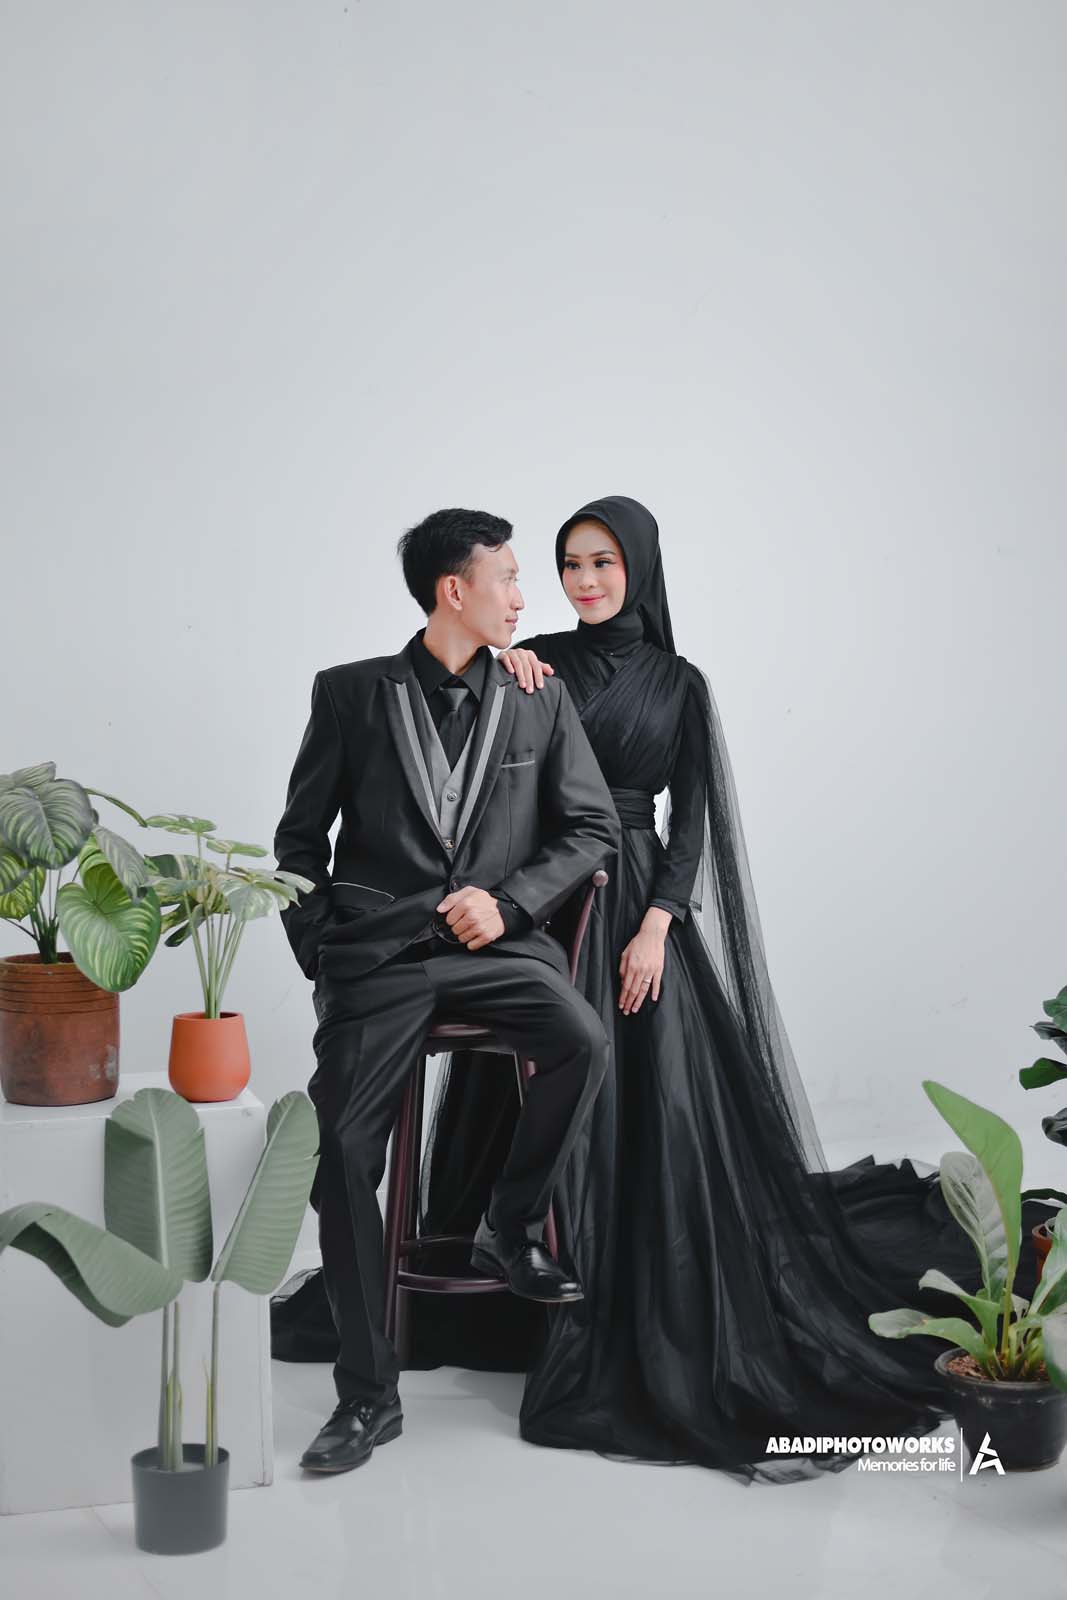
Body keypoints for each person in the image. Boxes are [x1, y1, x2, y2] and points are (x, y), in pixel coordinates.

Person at [274, 495, 1052, 1484]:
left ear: (638, 566)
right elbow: (332, 830)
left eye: (600, 562)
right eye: (562, 564)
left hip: (597, 904)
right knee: (398, 1129)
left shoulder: (656, 685)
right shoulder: (515, 665)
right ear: (464, 590)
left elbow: (676, 821)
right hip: (465, 932)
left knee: (618, 1072)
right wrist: (332, 946)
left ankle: (562, 1252)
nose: (574, 581)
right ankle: (408, 1349)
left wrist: (650, 920)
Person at [272, 507, 619, 1474]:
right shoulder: (350, 693)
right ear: (453, 590)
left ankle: (509, 1225)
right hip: (378, 959)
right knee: (344, 1151)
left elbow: (592, 829)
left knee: (580, 1040)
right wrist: (322, 950)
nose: (523, 597)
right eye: (507, 578)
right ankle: (366, 1395)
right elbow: (298, 841)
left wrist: (510, 905)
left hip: (495, 950)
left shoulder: (538, 695)